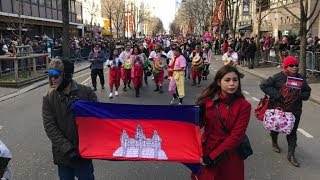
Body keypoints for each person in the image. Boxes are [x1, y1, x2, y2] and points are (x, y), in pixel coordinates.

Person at [42, 59, 97, 180]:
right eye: (50, 76)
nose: (52, 79)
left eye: (56, 76)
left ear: (67, 75)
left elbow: (97, 119)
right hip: (63, 155)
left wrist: (84, 109)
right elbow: (50, 127)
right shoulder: (48, 98)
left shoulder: (86, 93)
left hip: (83, 153)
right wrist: (68, 149)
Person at [194, 65, 251, 180]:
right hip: (206, 151)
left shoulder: (244, 106)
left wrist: (213, 157)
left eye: (235, 80)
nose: (232, 83)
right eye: (227, 80)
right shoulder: (207, 102)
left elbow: (236, 136)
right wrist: (196, 116)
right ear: (219, 82)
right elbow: (194, 126)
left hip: (229, 156)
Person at [259, 56, 311, 167]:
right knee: (275, 127)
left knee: (292, 131)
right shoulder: (277, 77)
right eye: (291, 65)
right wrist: (277, 95)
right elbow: (263, 85)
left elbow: (307, 92)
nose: (294, 67)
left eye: (296, 65)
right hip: (278, 109)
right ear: (286, 66)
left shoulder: (300, 79)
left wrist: (299, 95)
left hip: (294, 111)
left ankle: (291, 155)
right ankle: (274, 141)